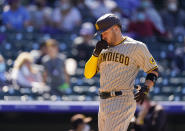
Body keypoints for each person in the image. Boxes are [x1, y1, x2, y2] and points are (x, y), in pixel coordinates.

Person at [84, 13, 159, 131]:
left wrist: (147, 87)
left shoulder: (136, 46)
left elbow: (153, 69)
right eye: (101, 33)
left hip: (122, 99)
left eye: (105, 32)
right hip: (103, 101)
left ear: (116, 28)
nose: (102, 36)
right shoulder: (102, 49)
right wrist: (95, 54)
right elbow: (88, 74)